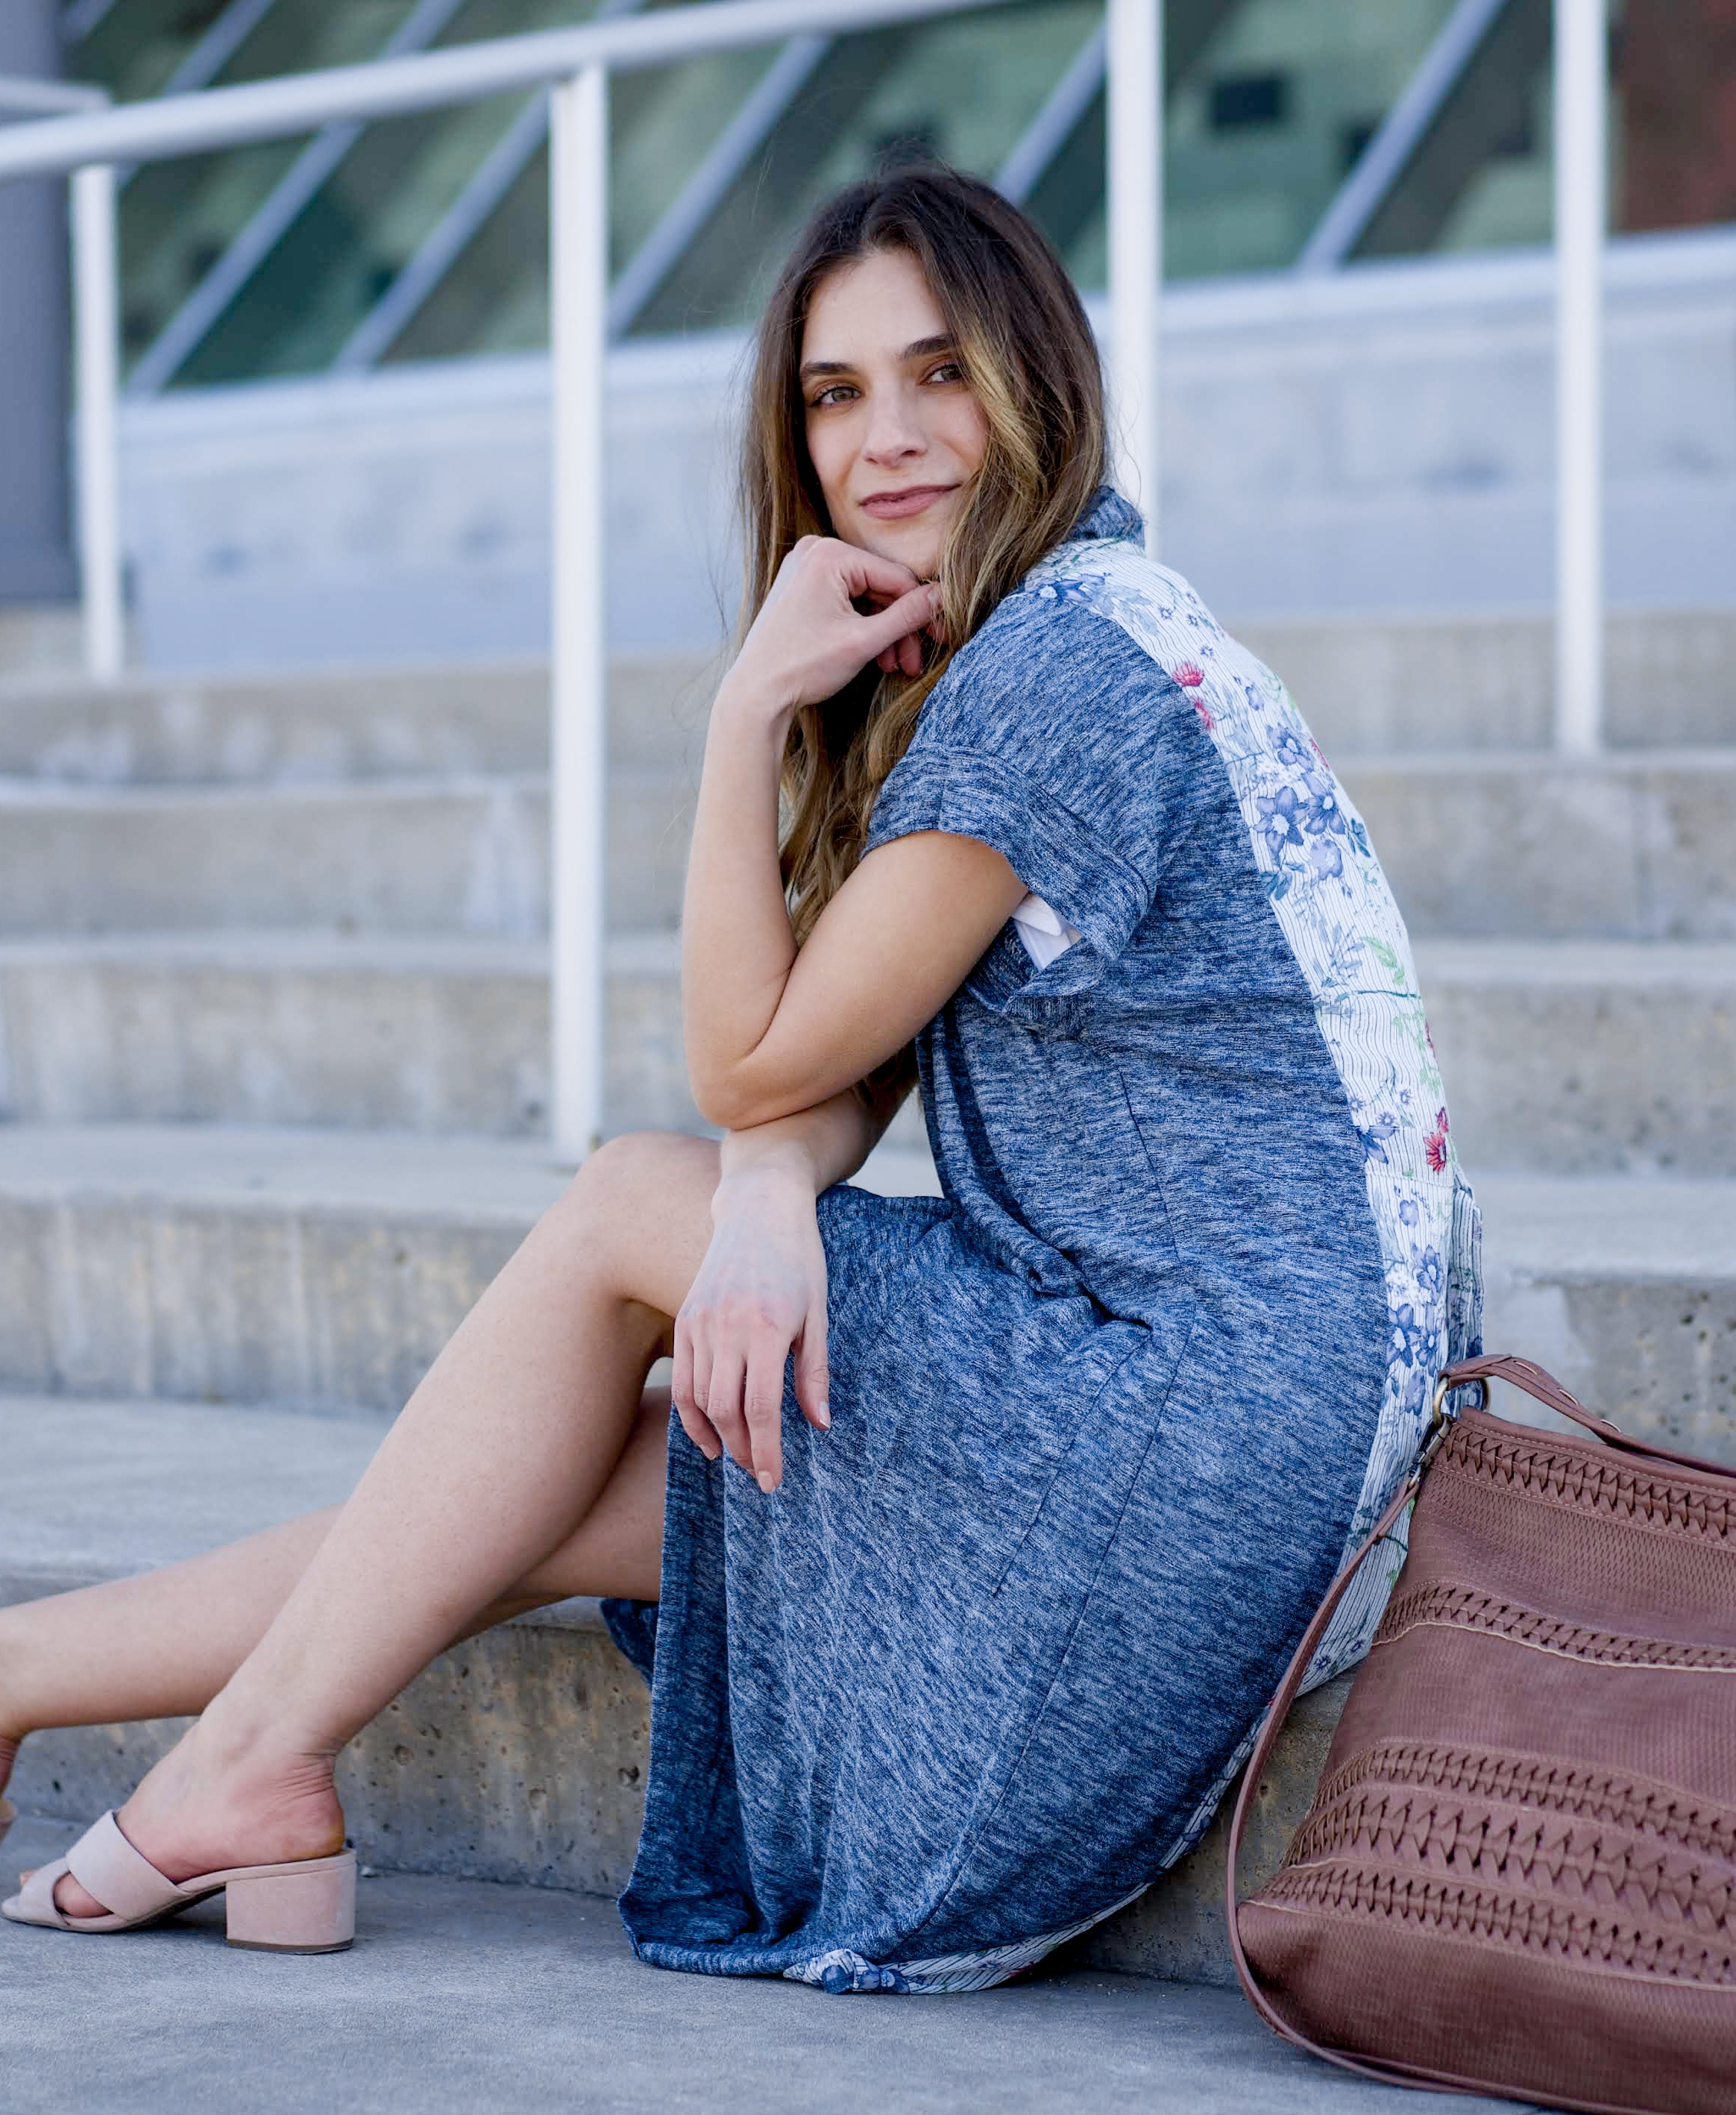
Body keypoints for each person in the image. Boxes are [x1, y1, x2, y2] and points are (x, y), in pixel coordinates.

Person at [1, 168, 1480, 1982]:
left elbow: (745, 1053)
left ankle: (244, 1766)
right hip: (1268, 1451)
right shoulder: (1079, 624)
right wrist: (772, 1191)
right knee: (588, 1468)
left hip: (1195, 1442)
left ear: (1040, 376)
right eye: (836, 394)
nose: (889, 439)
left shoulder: (1057, 678)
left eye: (940, 374)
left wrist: (736, 723)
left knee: (632, 1197)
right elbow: (832, 1071)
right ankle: (24, 1686)